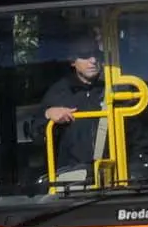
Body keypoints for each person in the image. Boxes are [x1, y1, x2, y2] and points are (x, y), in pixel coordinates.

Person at [41, 37, 108, 182]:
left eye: (97, 55)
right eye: (85, 55)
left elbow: (137, 136)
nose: (93, 60)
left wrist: (137, 171)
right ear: (72, 61)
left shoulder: (112, 88)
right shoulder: (59, 92)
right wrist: (48, 114)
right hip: (72, 180)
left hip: (116, 177)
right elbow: (37, 134)